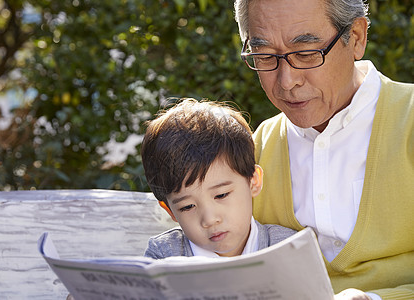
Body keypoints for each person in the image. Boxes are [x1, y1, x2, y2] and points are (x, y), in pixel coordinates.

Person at [234, 0, 413, 299]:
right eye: (264, 56)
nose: (287, 81)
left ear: (356, 37)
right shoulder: (257, 148)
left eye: (305, 53)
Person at [141, 99, 296, 259]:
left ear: (253, 181)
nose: (210, 219)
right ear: (170, 210)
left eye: (221, 195)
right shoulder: (164, 255)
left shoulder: (288, 246)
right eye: (187, 207)